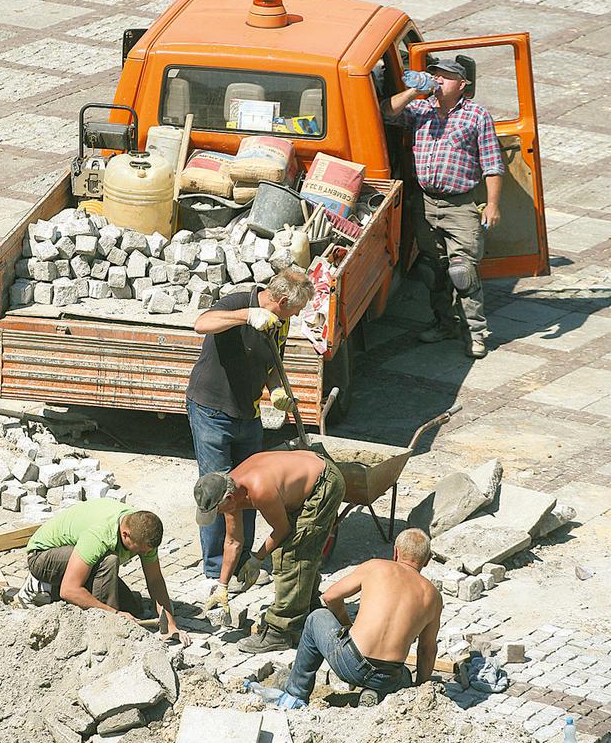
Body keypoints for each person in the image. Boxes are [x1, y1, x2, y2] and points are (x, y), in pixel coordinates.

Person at [186, 268, 314, 582]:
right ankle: (217, 568)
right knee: (219, 489)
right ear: (282, 301)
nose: (296, 316)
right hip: (211, 411)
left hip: (249, 413)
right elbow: (201, 324)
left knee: (249, 492)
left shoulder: (278, 323)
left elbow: (273, 363)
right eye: (295, 310)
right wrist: (246, 316)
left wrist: (277, 390)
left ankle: (243, 561)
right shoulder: (239, 303)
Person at [384, 58, 505, 359]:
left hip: (460, 205)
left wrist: (492, 204)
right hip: (425, 202)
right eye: (435, 75)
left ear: (462, 84)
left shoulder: (476, 116)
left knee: (463, 272)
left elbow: (493, 164)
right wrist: (414, 91)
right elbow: (385, 112)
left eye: (446, 77)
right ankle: (444, 324)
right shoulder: (420, 109)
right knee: (433, 269)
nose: (438, 81)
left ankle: (476, 333)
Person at [194, 449, 345, 653]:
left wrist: (256, 559)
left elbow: (283, 530)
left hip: (324, 484)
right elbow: (233, 541)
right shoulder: (228, 489)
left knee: (291, 555)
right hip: (303, 479)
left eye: (217, 510)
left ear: (228, 498)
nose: (218, 514)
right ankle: (307, 606)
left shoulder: (259, 489)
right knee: (296, 552)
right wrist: (223, 586)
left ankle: (279, 632)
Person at [279, 528, 442, 706]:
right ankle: (376, 693)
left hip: (349, 663)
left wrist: (346, 624)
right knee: (404, 677)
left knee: (317, 617)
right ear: (426, 561)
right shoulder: (433, 596)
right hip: (388, 678)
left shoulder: (376, 566)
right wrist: (420, 690)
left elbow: (330, 597)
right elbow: (427, 650)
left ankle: (295, 695)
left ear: (395, 552)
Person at [21, 498, 190, 644]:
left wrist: (170, 624)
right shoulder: (101, 535)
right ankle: (44, 587)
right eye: (140, 551)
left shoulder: (143, 532)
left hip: (80, 555)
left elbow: (155, 580)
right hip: (42, 557)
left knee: (134, 609)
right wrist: (114, 614)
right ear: (125, 535)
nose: (146, 554)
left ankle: (62, 588)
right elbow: (69, 589)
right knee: (109, 561)